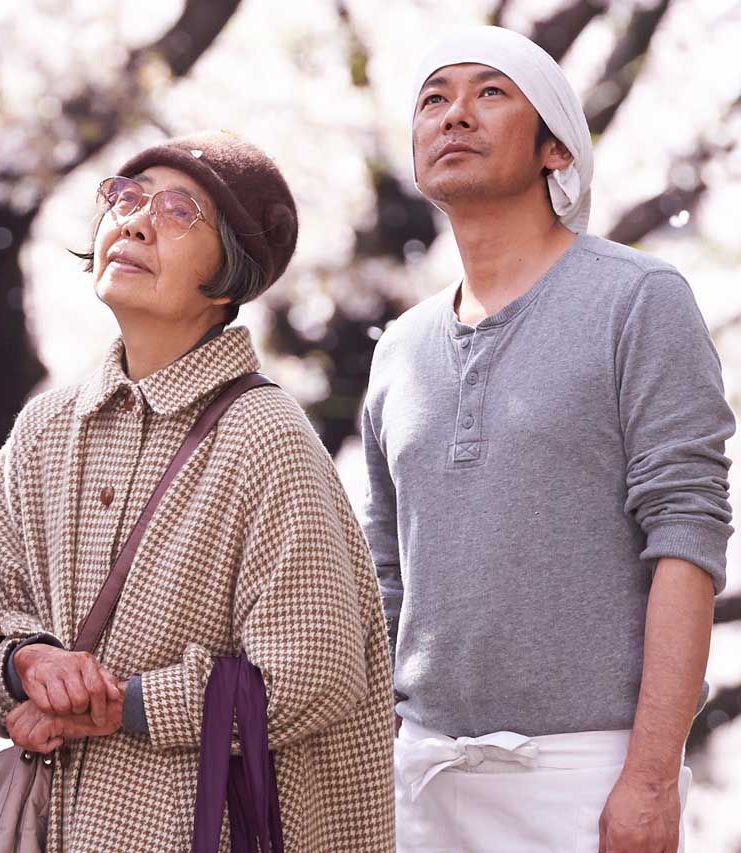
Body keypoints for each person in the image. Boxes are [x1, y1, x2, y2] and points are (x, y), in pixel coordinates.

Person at [0, 131, 395, 851]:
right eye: (124, 199)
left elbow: (312, 670)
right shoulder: (45, 426)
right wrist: (26, 660)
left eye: (179, 210)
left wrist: (122, 706)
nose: (133, 220)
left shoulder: (264, 433)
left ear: (233, 270)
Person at [361, 26, 733, 852]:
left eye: (489, 93)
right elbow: (385, 575)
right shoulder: (400, 348)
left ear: (555, 149)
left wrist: (648, 776)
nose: (454, 114)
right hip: (419, 783)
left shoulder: (638, 299)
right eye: (433, 98)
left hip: (588, 780)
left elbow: (688, 534)